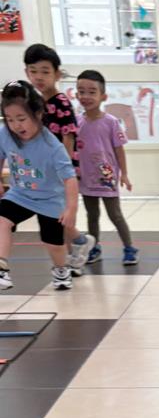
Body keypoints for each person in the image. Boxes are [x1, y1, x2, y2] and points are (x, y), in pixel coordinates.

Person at [23, 44, 95, 273]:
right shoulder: (35, 102)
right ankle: (75, 251)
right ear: (27, 73)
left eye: (45, 71)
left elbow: (68, 138)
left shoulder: (60, 102)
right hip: (44, 169)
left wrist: (63, 170)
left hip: (62, 170)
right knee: (54, 216)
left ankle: (78, 247)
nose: (39, 77)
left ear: (57, 74)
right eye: (33, 71)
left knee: (59, 216)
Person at [0, 80, 78, 291]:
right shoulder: (5, 134)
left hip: (50, 199)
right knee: (2, 220)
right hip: (19, 194)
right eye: (9, 119)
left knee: (54, 244)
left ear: (38, 114)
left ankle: (61, 269)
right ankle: (2, 268)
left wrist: (71, 209)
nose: (16, 125)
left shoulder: (52, 146)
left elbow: (70, 178)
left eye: (21, 119)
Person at [75, 70, 139, 266]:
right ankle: (94, 248)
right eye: (81, 91)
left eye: (92, 92)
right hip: (86, 179)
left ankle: (129, 248)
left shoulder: (111, 122)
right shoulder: (76, 122)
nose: (86, 96)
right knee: (92, 215)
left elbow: (119, 150)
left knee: (115, 215)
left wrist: (124, 174)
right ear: (76, 95)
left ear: (103, 96)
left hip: (107, 178)